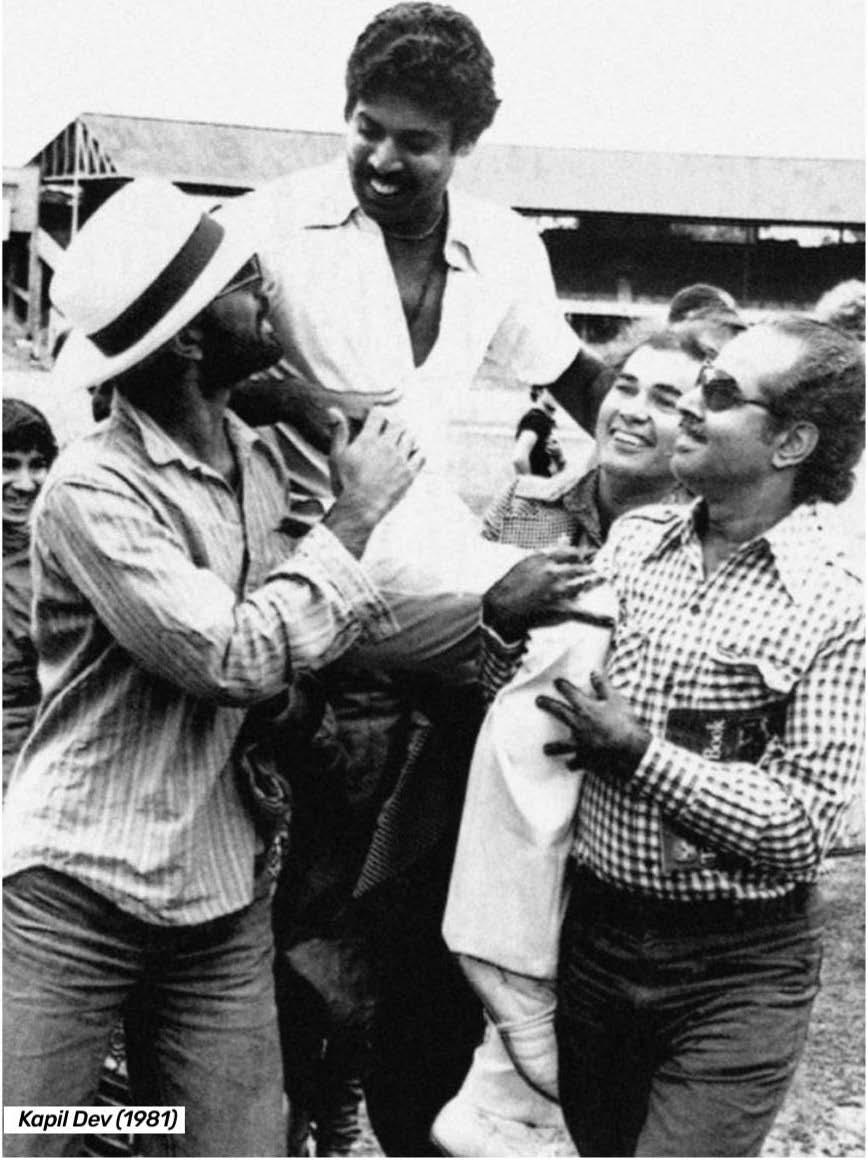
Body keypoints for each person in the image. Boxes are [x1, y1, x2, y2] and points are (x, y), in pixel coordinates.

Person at [225, 5, 602, 1152]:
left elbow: (572, 374)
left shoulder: (504, 245)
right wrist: (312, 407)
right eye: (366, 128)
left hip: (427, 553)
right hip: (299, 555)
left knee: (568, 645)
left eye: (417, 141)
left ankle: (489, 1020)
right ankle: (301, 1093)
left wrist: (658, 457)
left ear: (466, 143)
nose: (384, 158)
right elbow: (184, 358)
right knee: (319, 857)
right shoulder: (268, 222)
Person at [2, 177, 423, 1159]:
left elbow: (304, 616)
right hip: (79, 888)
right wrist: (357, 514)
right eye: (243, 280)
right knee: (27, 1135)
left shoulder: (257, 457)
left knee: (233, 1145)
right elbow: (232, 655)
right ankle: (122, 1134)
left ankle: (136, 1134)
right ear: (192, 336)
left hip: (220, 890)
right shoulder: (92, 489)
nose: (265, 285)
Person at [531, 316, 864, 1156]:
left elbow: (800, 827)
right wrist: (503, 628)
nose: (688, 406)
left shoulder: (841, 596)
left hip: (738, 967)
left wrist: (639, 755)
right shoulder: (635, 544)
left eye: (717, 393)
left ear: (791, 442)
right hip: (595, 942)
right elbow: (539, 705)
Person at [434, 327, 710, 1156]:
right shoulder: (527, 507)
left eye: (668, 400)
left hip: (621, 840)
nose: (633, 411)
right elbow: (457, 676)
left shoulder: (710, 542)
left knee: (595, 1088)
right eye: (626, 386)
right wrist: (499, 621)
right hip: (487, 813)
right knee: (426, 1051)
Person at [2, 400, 58, 794]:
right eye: (8, 465)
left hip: (28, 759)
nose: (25, 483)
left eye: (37, 465)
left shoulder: (56, 557)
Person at [513, 386, 566, 477]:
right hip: (536, 484)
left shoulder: (543, 420)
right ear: (539, 391)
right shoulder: (536, 420)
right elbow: (519, 459)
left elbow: (547, 470)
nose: (558, 395)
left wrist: (559, 459)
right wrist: (530, 483)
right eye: (553, 390)